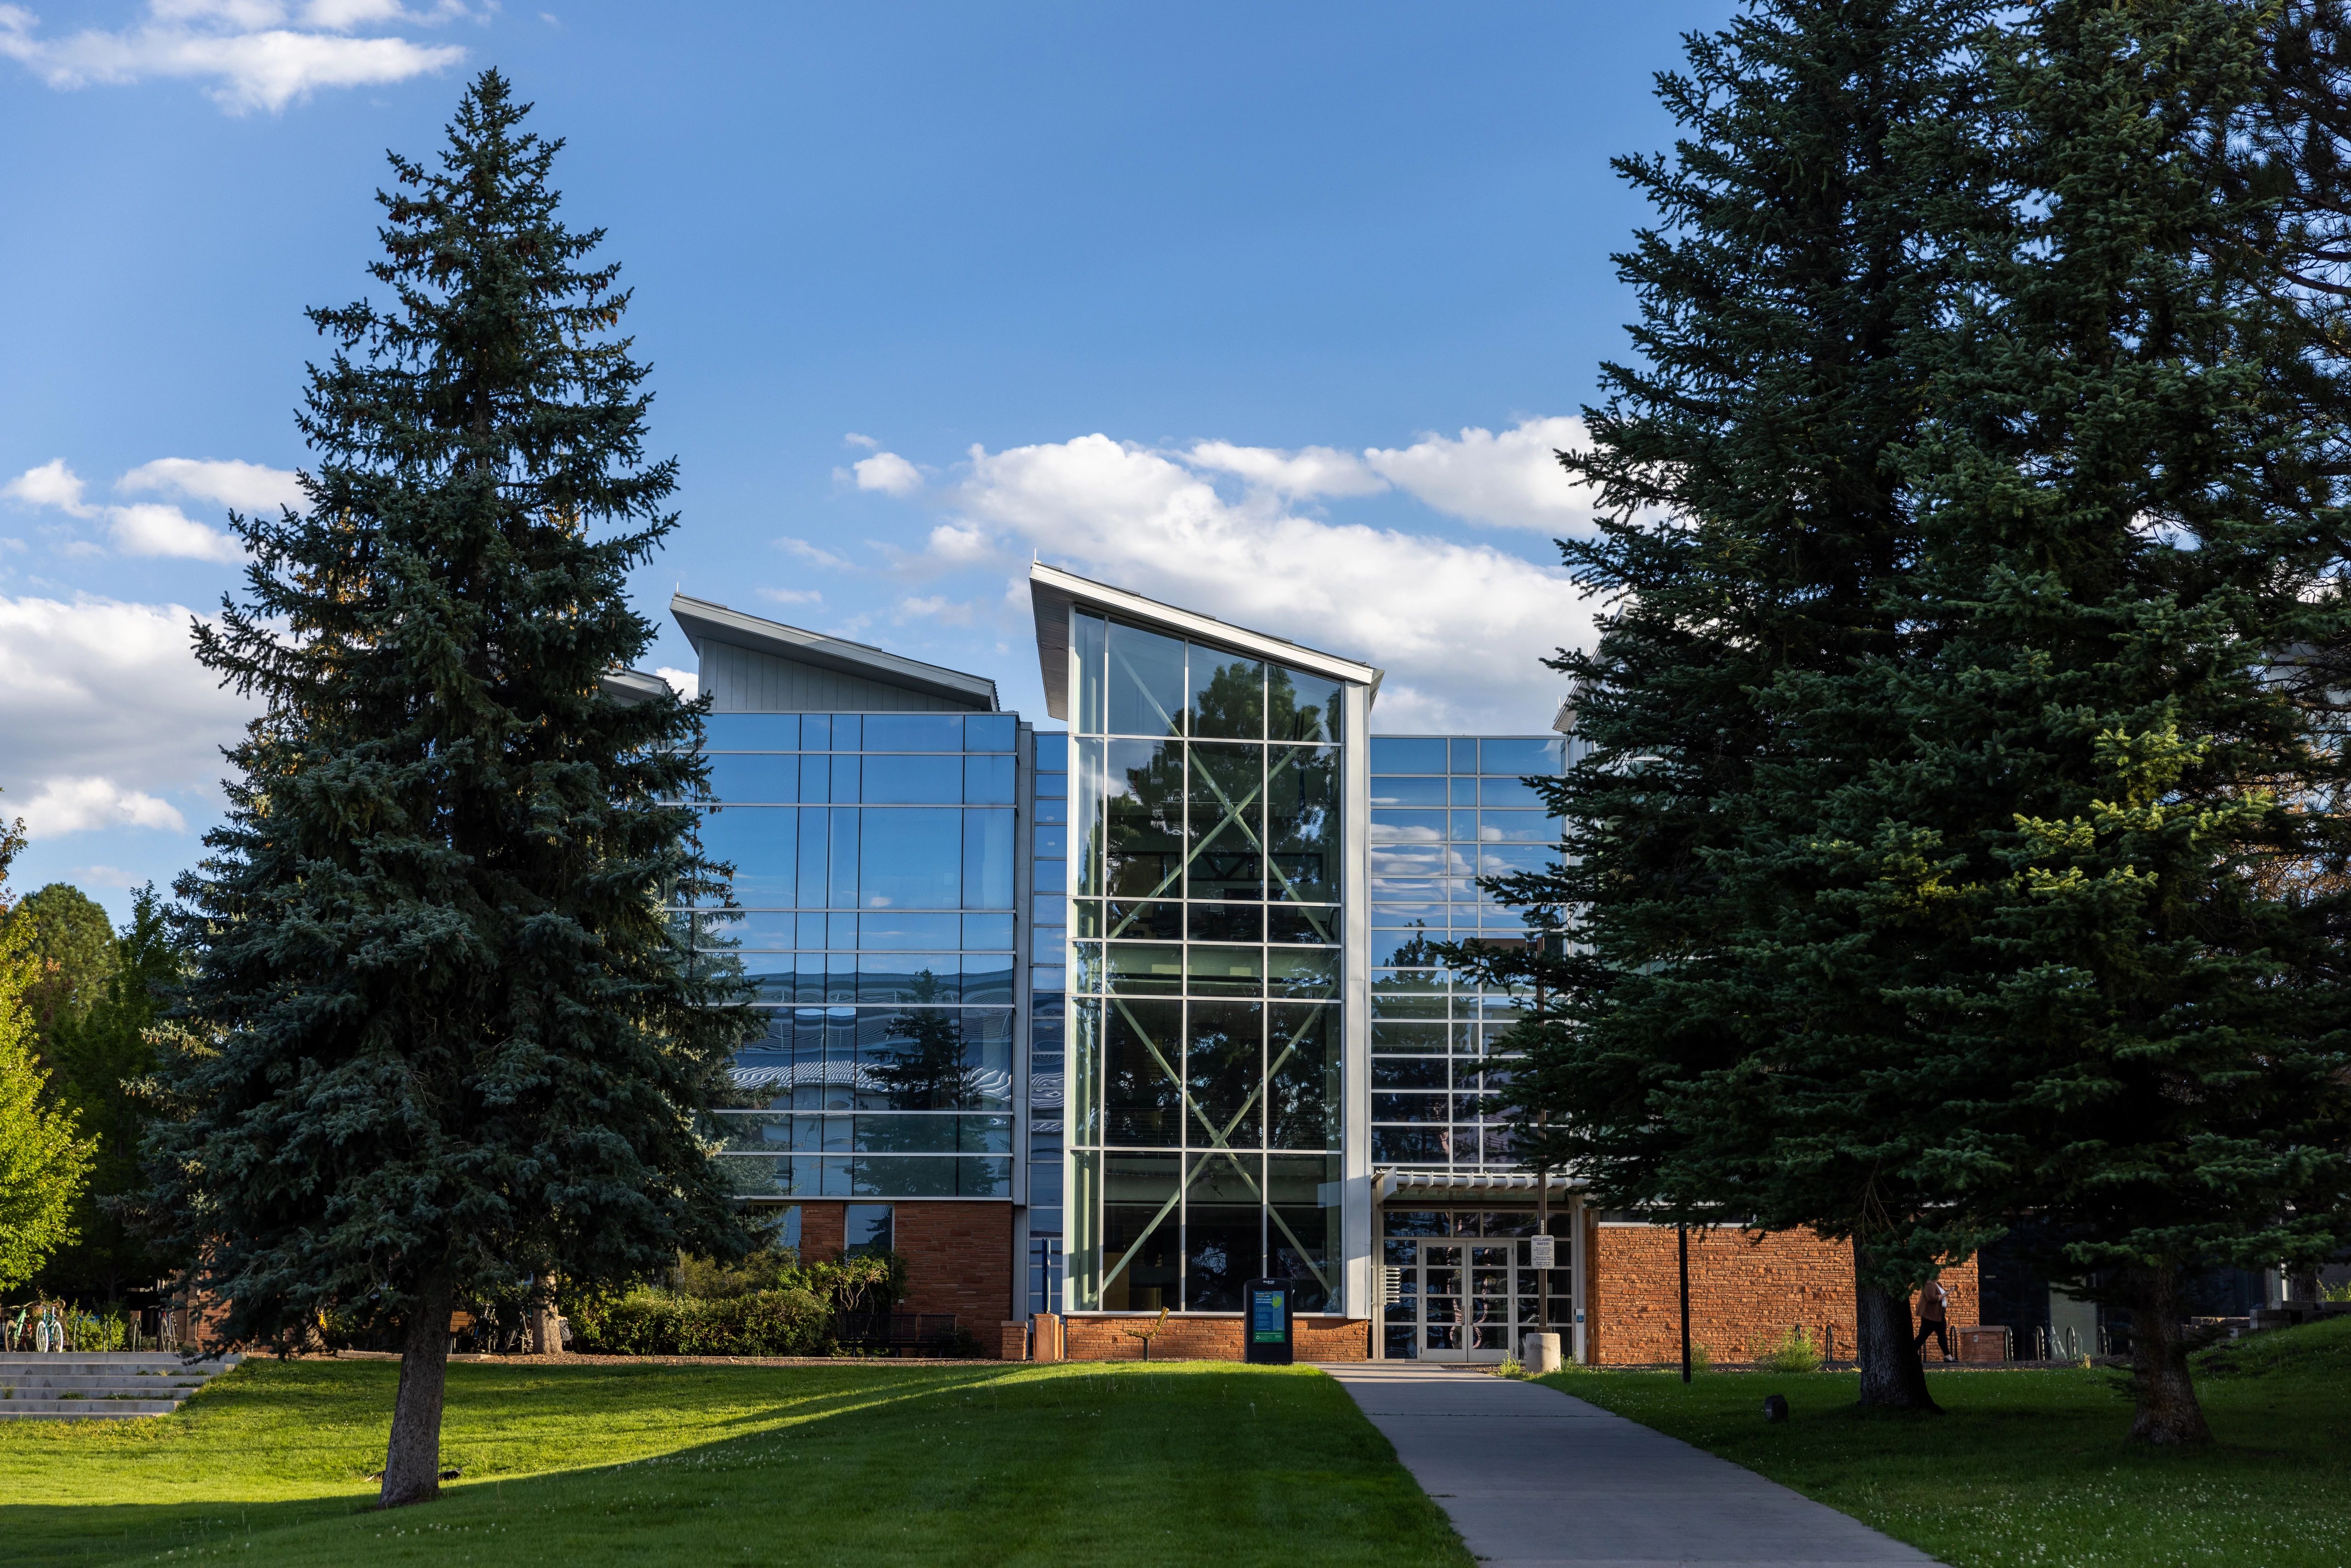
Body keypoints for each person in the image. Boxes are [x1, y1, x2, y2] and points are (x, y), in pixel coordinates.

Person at [1913, 1277, 1952, 1361]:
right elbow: (1931, 1299)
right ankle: (1911, 1354)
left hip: (1939, 1314)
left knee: (1941, 1334)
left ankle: (1948, 1356)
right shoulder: (1929, 1284)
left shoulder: (1938, 1284)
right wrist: (1945, 1295)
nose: (1938, 1274)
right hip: (1930, 1316)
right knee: (1923, 1336)